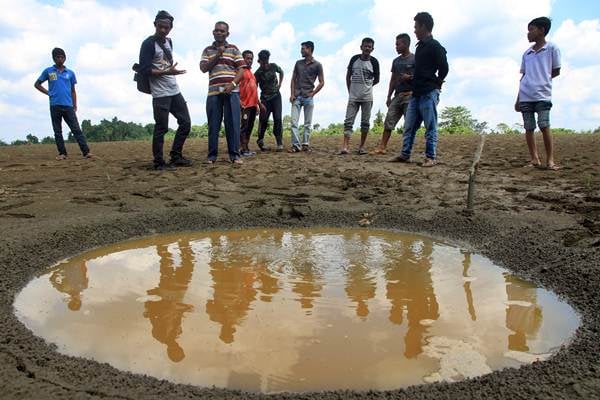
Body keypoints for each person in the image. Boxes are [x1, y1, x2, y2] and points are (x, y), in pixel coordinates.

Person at [389, 12, 448, 167]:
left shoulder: (435, 46)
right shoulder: (420, 47)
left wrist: (437, 83)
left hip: (428, 92)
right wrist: (412, 79)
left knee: (430, 125)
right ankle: (405, 154)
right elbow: (421, 71)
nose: (414, 30)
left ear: (423, 26)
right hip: (416, 93)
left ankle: (431, 157)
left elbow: (444, 68)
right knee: (409, 126)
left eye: (416, 27)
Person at [137, 10, 192, 171]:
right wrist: (167, 72)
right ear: (155, 25)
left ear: (170, 28)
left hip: (174, 89)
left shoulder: (169, 42)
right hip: (160, 93)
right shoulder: (148, 43)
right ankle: (159, 162)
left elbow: (166, 64)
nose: (163, 30)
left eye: (166, 28)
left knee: (186, 123)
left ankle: (176, 155)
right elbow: (145, 70)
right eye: (160, 26)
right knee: (161, 128)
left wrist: (170, 73)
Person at [514, 17, 561, 170]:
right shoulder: (526, 54)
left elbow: (555, 71)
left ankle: (550, 160)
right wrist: (518, 98)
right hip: (526, 95)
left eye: (531, 30)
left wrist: (541, 80)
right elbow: (524, 76)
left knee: (544, 125)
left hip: (542, 94)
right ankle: (534, 158)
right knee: (528, 127)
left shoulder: (552, 49)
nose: (528, 33)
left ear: (542, 30)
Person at [200, 21, 246, 165]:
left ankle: (235, 155)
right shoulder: (207, 50)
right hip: (213, 93)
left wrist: (232, 85)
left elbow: (241, 70)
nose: (219, 33)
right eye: (217, 30)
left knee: (232, 124)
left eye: (222, 31)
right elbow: (203, 68)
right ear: (213, 32)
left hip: (232, 93)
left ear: (227, 34)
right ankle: (211, 156)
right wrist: (218, 54)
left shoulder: (234, 49)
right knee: (213, 125)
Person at [34, 48, 93, 160]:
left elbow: (73, 90)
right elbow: (37, 84)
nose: (60, 59)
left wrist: (75, 104)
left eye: (62, 57)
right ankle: (62, 153)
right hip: (55, 105)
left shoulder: (70, 73)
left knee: (76, 129)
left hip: (68, 105)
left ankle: (86, 152)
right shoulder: (49, 71)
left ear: (65, 58)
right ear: (54, 58)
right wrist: (48, 93)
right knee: (58, 131)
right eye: (58, 57)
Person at [371, 34, 414, 155]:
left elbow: (420, 77)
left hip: (410, 96)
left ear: (406, 44)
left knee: (408, 124)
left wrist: (410, 78)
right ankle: (382, 147)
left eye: (398, 44)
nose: (396, 47)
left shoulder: (415, 59)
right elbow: (393, 79)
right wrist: (389, 96)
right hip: (398, 95)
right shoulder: (396, 61)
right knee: (388, 121)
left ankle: (406, 150)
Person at [339, 38, 380, 155]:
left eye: (370, 46)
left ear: (372, 49)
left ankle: (361, 147)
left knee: (365, 122)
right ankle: (345, 146)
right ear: (361, 47)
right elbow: (348, 76)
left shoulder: (375, 62)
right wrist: (350, 90)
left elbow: (377, 80)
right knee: (348, 121)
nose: (367, 48)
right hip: (353, 96)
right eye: (365, 46)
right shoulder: (354, 59)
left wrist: (367, 85)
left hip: (367, 97)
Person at [289, 41, 324, 152]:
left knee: (307, 123)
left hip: (308, 96)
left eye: (303, 49)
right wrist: (292, 94)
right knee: (294, 122)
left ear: (309, 49)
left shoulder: (317, 65)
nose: (301, 51)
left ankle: (305, 144)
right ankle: (296, 145)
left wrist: (313, 93)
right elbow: (293, 79)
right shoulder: (298, 63)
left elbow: (322, 82)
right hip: (297, 96)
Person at [254, 50, 285, 151]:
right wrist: (258, 103)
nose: (265, 64)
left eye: (266, 62)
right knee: (263, 120)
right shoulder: (258, 73)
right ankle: (260, 140)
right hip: (265, 99)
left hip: (276, 97)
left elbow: (281, 72)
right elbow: (254, 88)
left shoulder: (273, 66)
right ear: (259, 61)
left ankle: (279, 142)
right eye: (263, 62)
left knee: (278, 118)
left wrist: (280, 84)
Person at [238, 50, 265, 157]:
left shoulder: (252, 74)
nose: (249, 60)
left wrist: (259, 104)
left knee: (249, 127)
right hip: (245, 105)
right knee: (244, 127)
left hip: (253, 105)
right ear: (242, 59)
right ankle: (242, 149)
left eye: (251, 59)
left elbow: (254, 91)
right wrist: (239, 102)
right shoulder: (240, 72)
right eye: (247, 58)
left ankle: (246, 148)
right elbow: (235, 88)